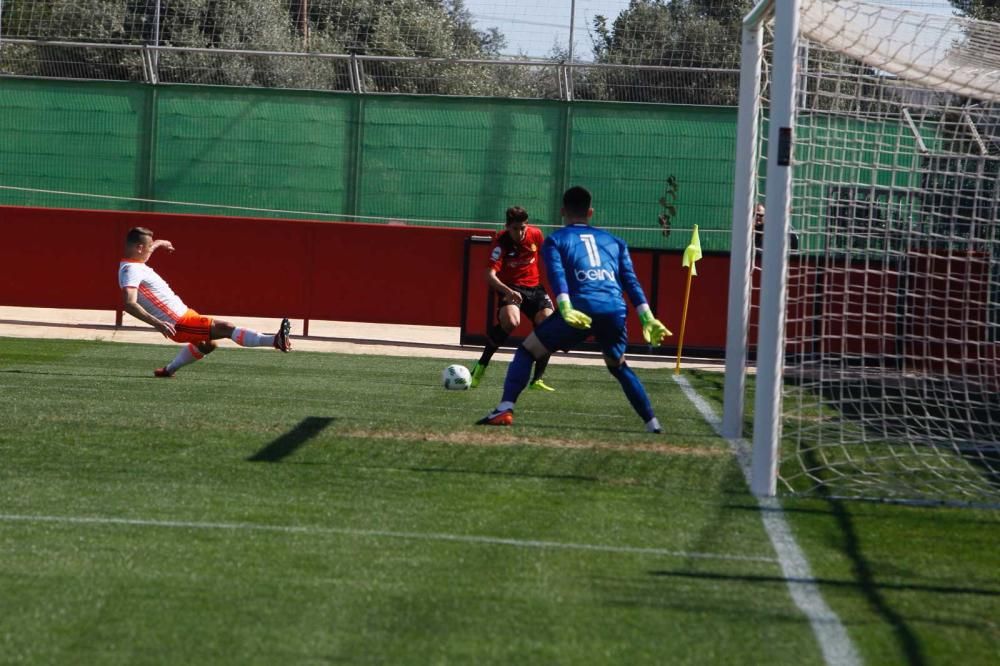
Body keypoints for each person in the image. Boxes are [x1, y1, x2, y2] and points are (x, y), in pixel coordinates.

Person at [476, 186, 671, 433]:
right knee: (618, 364)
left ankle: (505, 407)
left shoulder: (556, 240)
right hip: (614, 309)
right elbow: (630, 281)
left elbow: (557, 276)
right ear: (591, 212)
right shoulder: (616, 242)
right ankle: (652, 423)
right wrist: (648, 318)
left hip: (578, 308)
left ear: (562, 212)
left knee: (527, 350)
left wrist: (565, 307)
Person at [118, 226, 292, 378]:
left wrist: (159, 243)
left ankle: (168, 370)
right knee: (226, 328)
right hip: (177, 322)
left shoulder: (136, 261)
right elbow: (129, 303)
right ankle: (275, 341)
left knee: (207, 345)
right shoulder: (131, 270)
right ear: (140, 248)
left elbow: (146, 250)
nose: (150, 250)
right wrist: (158, 323)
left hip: (184, 315)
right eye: (149, 247)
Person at [469, 206, 556, 391]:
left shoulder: (536, 235)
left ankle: (537, 379)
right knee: (511, 321)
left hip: (534, 288)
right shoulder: (501, 243)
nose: (520, 232)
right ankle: (481, 366)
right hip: (511, 288)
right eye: (515, 228)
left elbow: (548, 257)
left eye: (522, 227)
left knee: (548, 324)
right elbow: (489, 276)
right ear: (507, 227)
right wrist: (507, 291)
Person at [753, 203, 799, 270]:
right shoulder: (753, 229)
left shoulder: (786, 232)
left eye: (760, 215)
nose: (757, 217)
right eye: (754, 214)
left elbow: (792, 253)